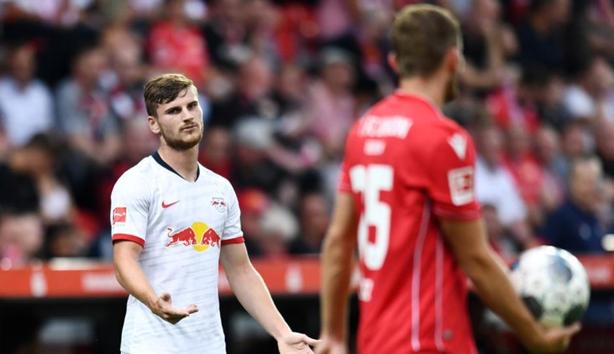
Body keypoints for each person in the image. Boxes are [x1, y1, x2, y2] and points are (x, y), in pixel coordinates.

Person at [317, 5, 580, 354]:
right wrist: (533, 336)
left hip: (376, 341)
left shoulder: (362, 130)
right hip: (430, 339)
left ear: (395, 63)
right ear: (454, 60)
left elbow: (337, 242)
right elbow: (476, 259)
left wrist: (333, 334)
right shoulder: (443, 138)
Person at [111, 73, 318, 354]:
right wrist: (153, 301)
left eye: (191, 106)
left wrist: (282, 333)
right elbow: (124, 262)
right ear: (154, 124)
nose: (187, 116)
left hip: (210, 345)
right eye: (173, 110)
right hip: (151, 344)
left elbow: (241, 270)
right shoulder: (137, 182)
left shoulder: (220, 189)